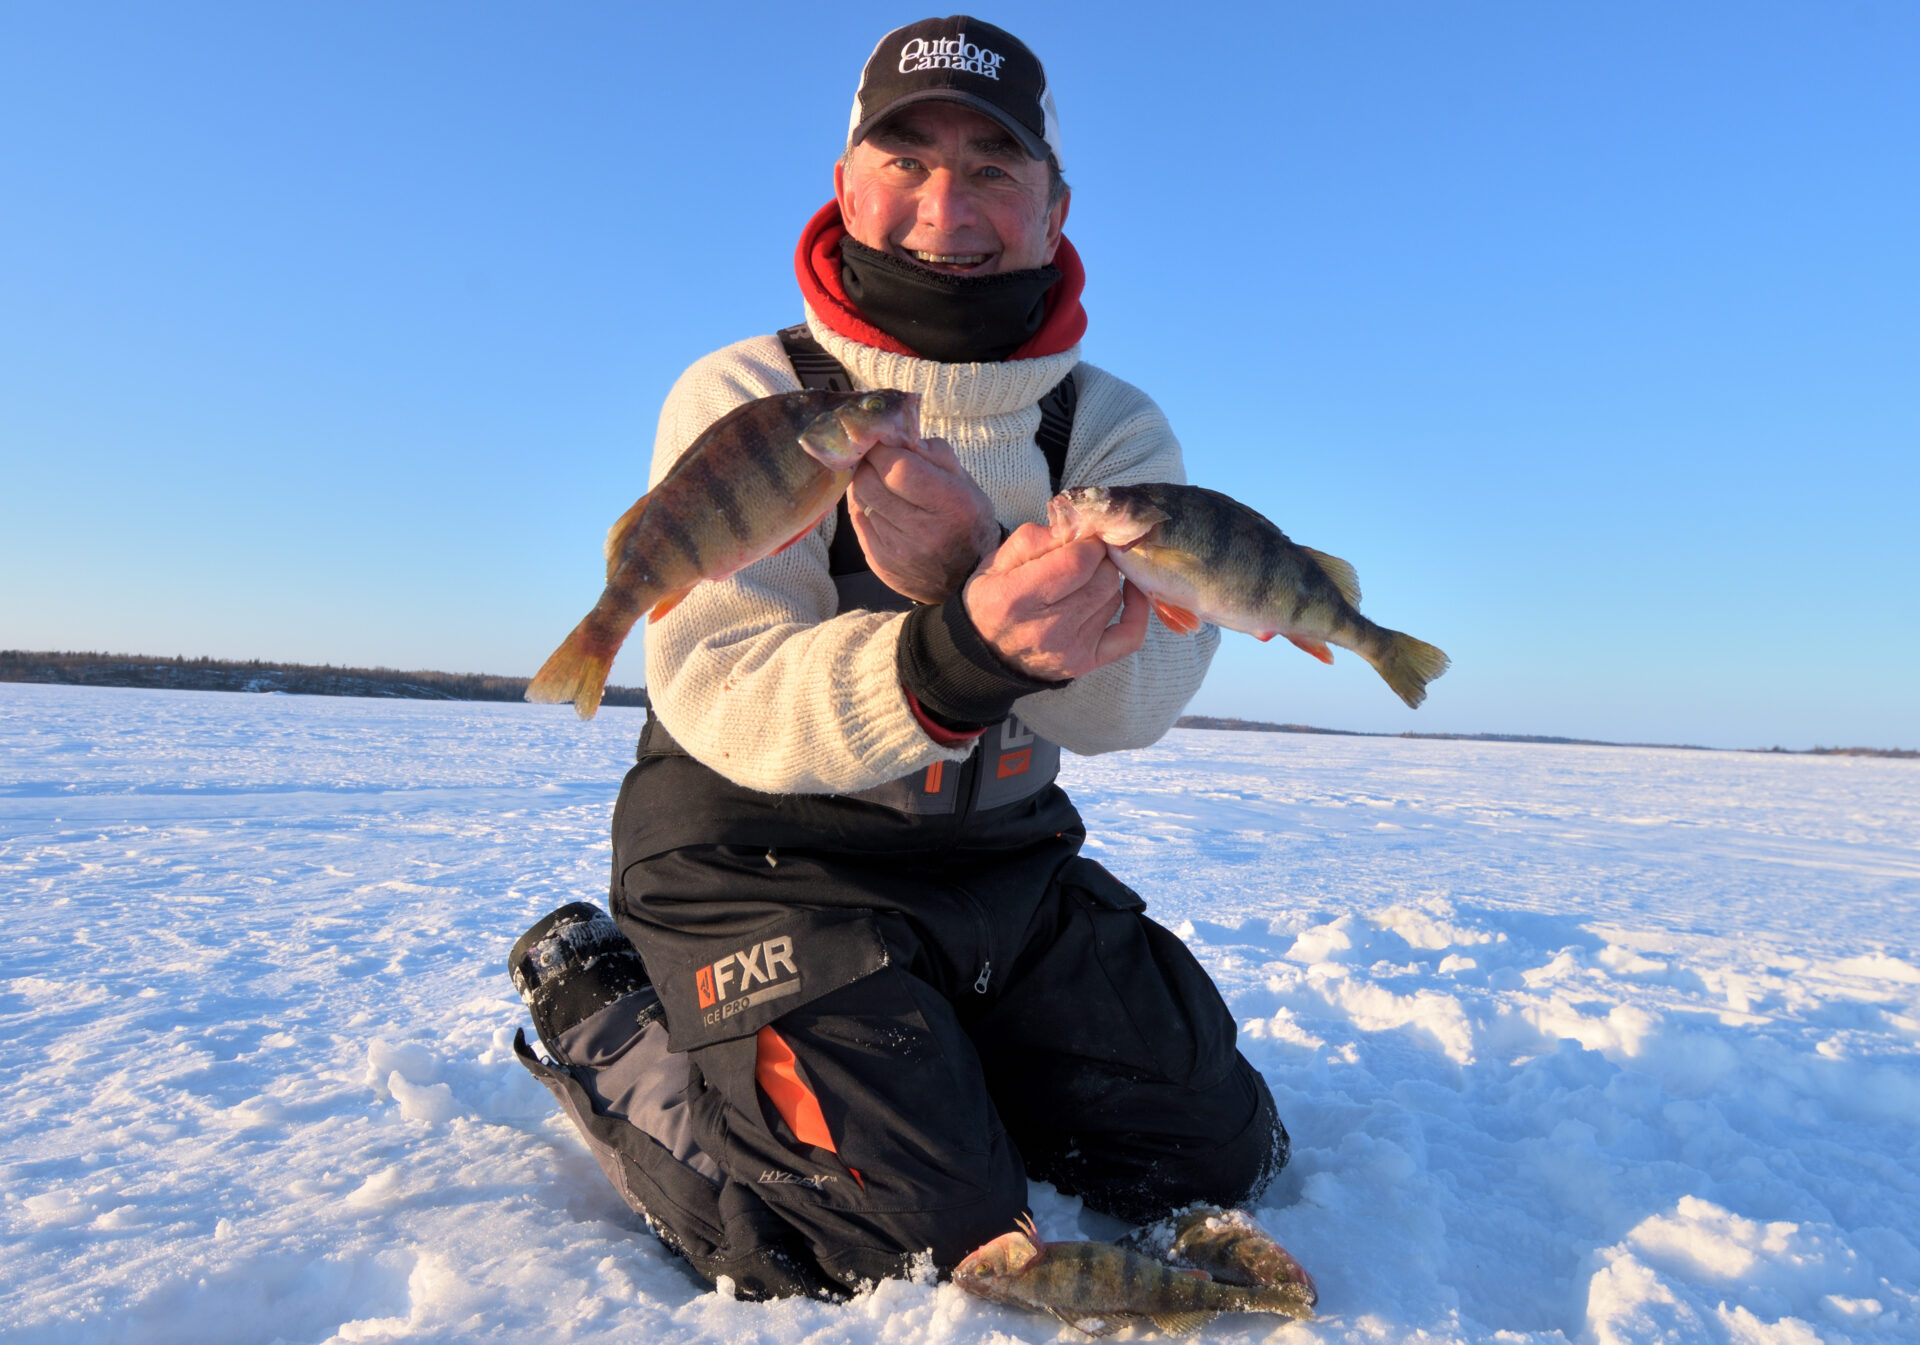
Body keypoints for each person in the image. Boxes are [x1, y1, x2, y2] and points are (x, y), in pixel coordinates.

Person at [510, 15, 1288, 1301]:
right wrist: (958, 648)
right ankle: (611, 1015)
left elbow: (1138, 698)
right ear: (846, 185)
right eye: (908, 160)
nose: (949, 204)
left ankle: (941, 1047)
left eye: (993, 165)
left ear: (1053, 204)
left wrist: (983, 576)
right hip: (762, 865)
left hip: (999, 869)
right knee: (880, 1238)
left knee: (1214, 1150)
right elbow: (717, 687)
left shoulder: (1104, 422)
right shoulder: (751, 392)